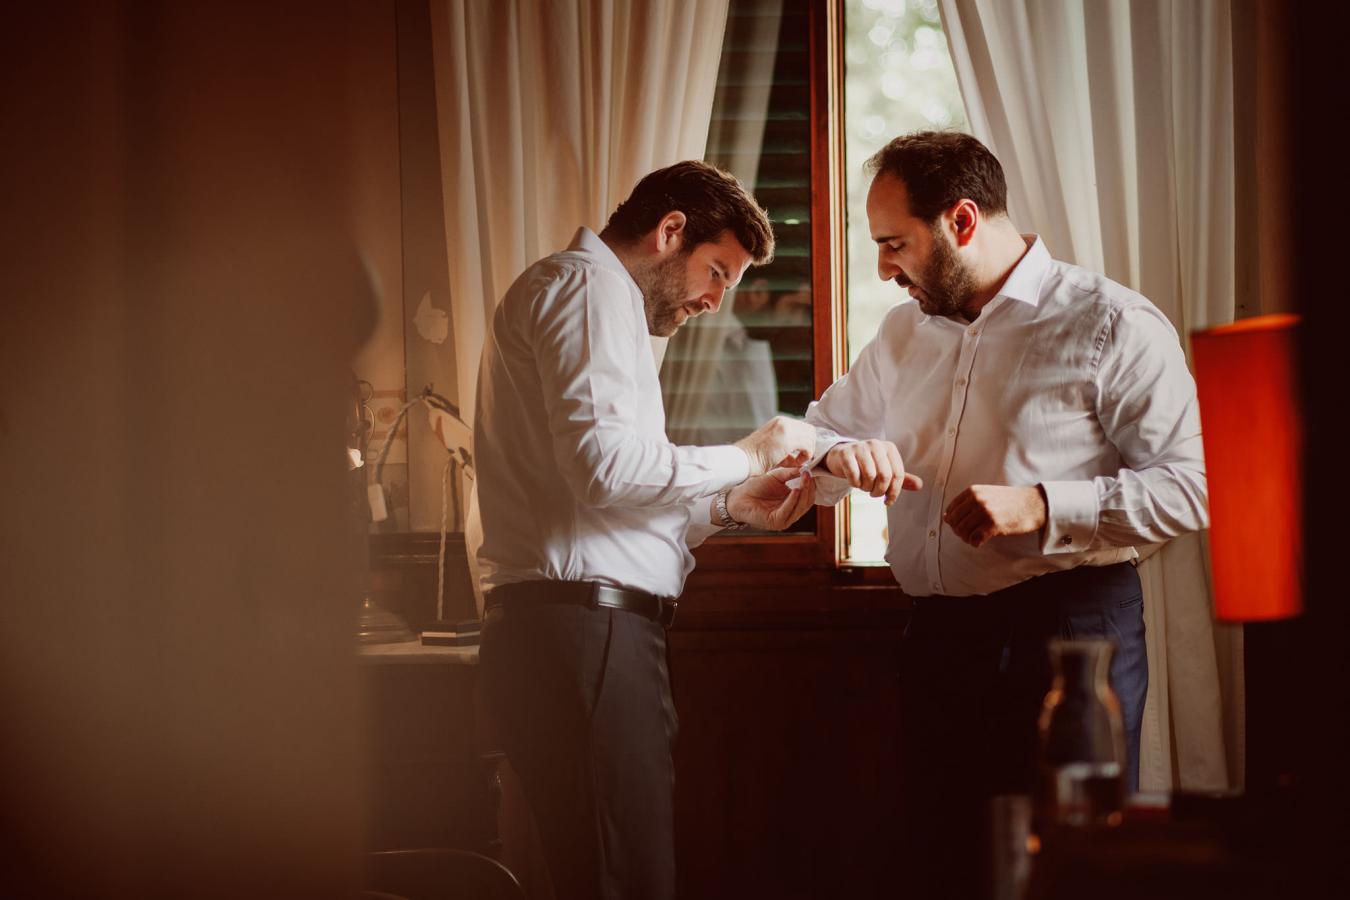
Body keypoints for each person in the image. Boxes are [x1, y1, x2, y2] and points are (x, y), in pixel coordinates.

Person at [803, 131, 1209, 897]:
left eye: (894, 245)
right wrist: (836, 458)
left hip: (1069, 642)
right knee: (944, 864)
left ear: (961, 222)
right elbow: (821, 430)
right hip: (936, 641)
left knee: (1063, 873)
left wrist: (1044, 505)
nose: (883, 270)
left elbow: (1189, 487)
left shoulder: (1113, 324)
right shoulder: (902, 332)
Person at [473, 161, 823, 900]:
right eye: (717, 271)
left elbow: (606, 501)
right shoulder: (587, 287)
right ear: (670, 232)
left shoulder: (592, 301)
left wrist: (731, 507)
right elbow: (606, 469)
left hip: (577, 634)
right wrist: (748, 452)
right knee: (624, 884)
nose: (717, 300)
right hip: (584, 635)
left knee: (612, 878)